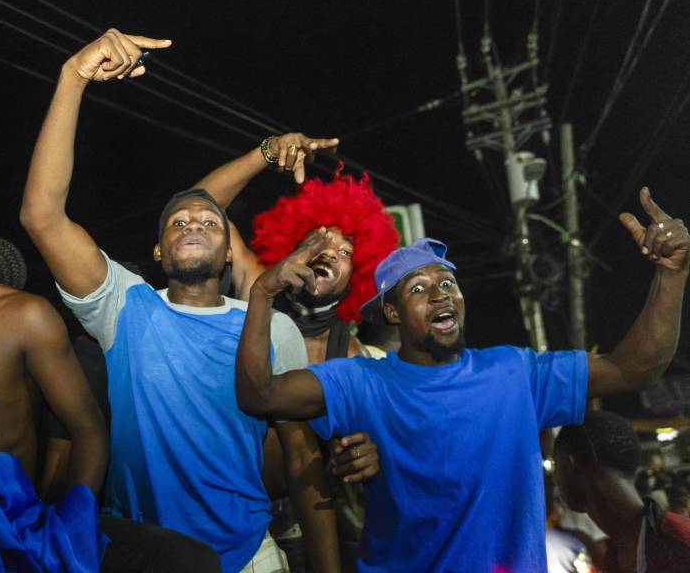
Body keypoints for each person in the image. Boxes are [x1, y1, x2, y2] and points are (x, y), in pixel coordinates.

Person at [20, 28, 344, 573]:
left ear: (227, 254)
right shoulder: (124, 307)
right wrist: (73, 75)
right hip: (143, 556)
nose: (192, 222)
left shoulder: (269, 328)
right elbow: (42, 215)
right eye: (177, 222)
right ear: (158, 247)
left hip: (248, 558)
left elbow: (301, 457)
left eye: (208, 221)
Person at [235, 186, 689, 572]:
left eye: (447, 283)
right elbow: (260, 394)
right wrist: (263, 293)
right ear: (392, 313)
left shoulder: (515, 372)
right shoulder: (362, 381)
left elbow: (635, 368)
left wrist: (671, 276)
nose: (439, 294)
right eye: (418, 289)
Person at [0, 156, 218, 572]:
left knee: (185, 558)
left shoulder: (24, 318)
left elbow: (87, 431)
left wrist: (71, 523)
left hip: (8, 515)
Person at [195, 138, 396, 569]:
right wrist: (265, 152)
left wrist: (373, 452)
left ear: (356, 275)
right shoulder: (256, 294)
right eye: (318, 240)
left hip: (305, 530)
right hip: (213, 517)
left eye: (345, 252)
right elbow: (199, 210)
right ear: (291, 249)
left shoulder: (357, 358)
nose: (330, 254)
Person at [554, 410, 690, 572]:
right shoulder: (615, 555)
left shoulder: (679, 546)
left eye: (556, 465)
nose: (554, 480)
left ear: (570, 465)